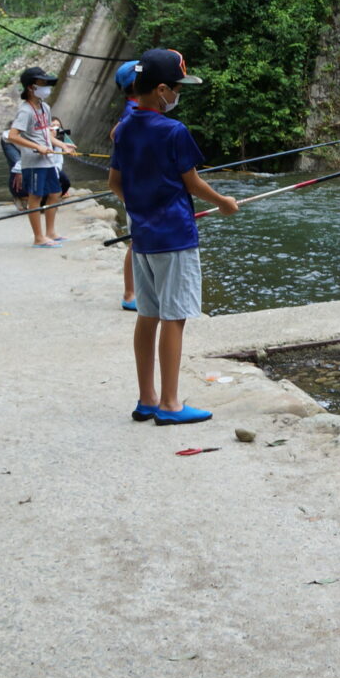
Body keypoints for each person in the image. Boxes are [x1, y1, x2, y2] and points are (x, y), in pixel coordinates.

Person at [108, 48, 238, 426]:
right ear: (161, 89)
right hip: (175, 238)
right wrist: (224, 202)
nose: (178, 94)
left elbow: (116, 183)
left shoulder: (125, 127)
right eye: (177, 87)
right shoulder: (174, 130)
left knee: (147, 316)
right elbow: (192, 182)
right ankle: (170, 404)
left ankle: (146, 399)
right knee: (175, 318)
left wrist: (146, 205)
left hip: (144, 237)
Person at [5, 65, 77, 247]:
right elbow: (12, 136)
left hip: (48, 160)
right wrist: (37, 147)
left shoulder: (44, 107)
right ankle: (38, 238)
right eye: (42, 83)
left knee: (55, 192)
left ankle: (51, 232)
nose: (46, 87)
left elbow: (47, 134)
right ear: (31, 87)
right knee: (35, 198)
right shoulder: (25, 111)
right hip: (33, 161)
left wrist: (62, 145)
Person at [111, 59, 140, 312]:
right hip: (138, 191)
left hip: (135, 189)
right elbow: (117, 134)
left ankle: (133, 292)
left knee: (137, 240)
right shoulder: (134, 112)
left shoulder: (132, 109)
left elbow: (113, 133)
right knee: (136, 242)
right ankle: (130, 294)